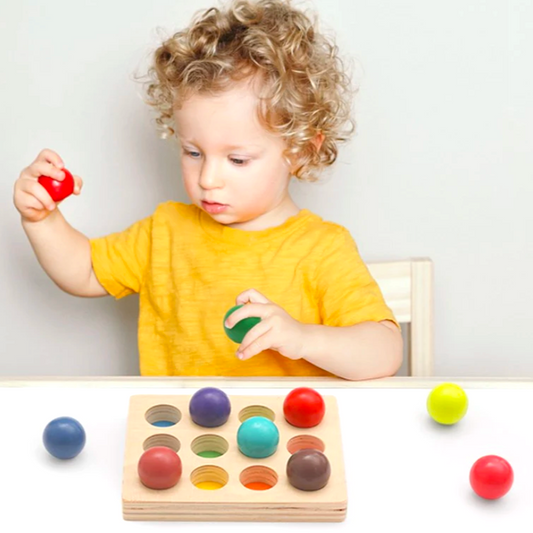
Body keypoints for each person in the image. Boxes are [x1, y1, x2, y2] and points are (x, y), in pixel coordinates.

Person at [13, 0, 402, 380]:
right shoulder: (165, 232)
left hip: (287, 442)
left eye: (237, 160)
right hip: (178, 439)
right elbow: (82, 271)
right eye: (193, 152)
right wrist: (42, 218)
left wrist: (302, 338)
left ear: (300, 152)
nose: (208, 179)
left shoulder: (322, 249)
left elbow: (384, 352)